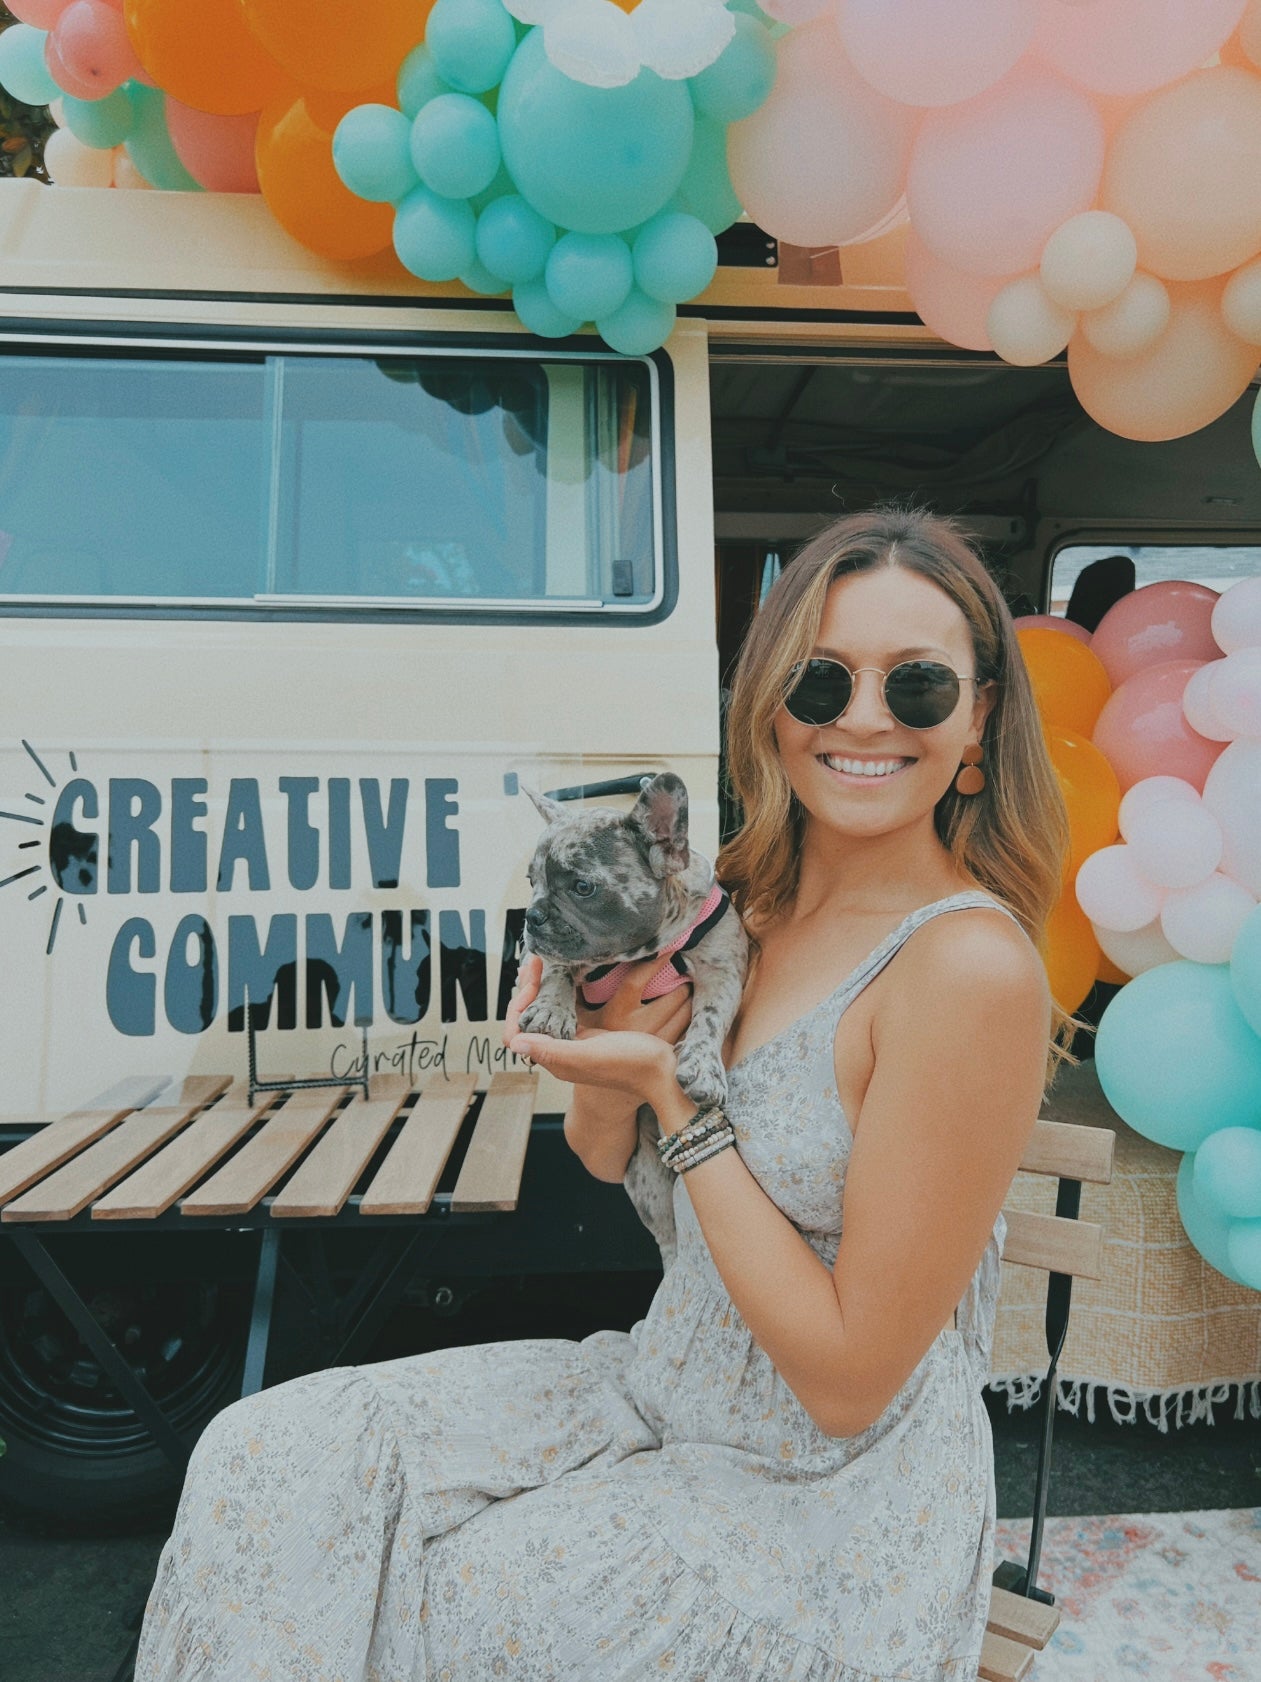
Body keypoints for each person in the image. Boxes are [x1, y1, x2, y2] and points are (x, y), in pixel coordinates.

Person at [136, 506, 1074, 1682]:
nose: (866, 717)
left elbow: (845, 1381)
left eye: (920, 685)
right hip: (655, 1382)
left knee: (477, 1590)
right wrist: (602, 1039)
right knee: (266, 1457)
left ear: (979, 715)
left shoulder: (963, 967)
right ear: (771, 706)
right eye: (822, 680)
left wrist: (675, 1108)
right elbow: (596, 1153)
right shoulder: (739, 901)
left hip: (823, 1493)